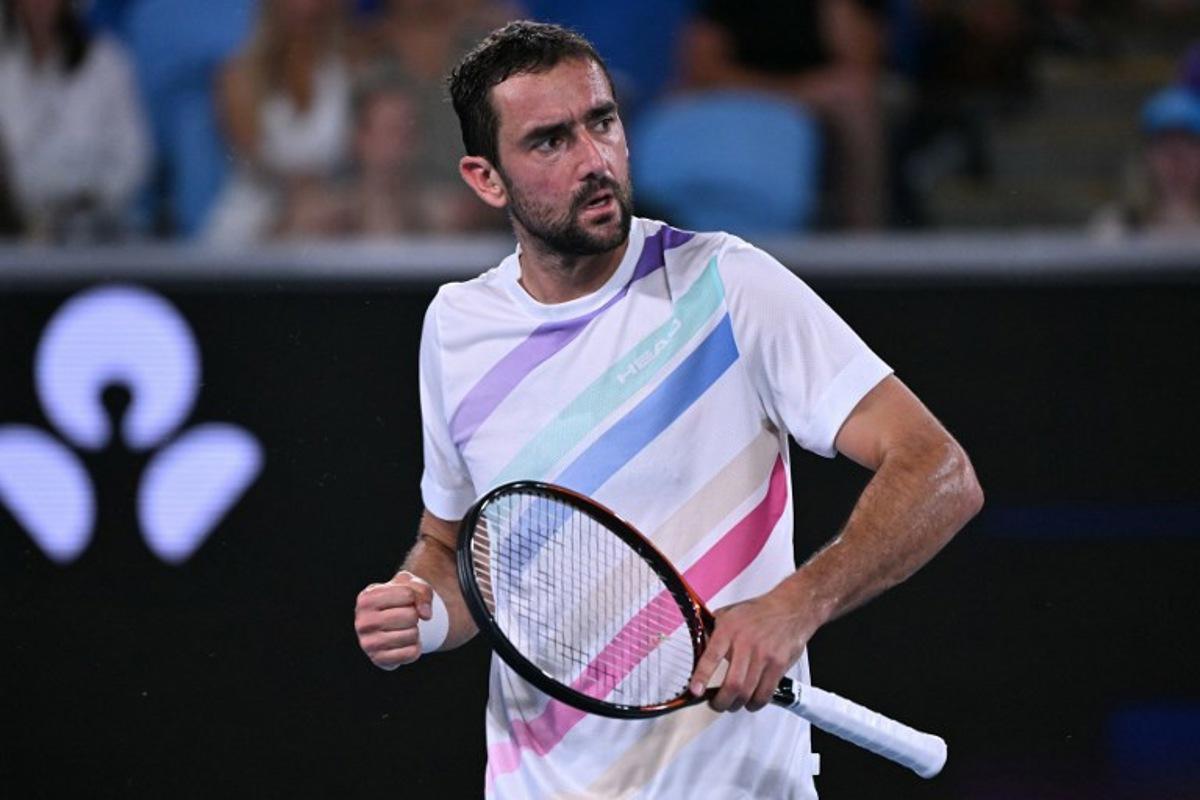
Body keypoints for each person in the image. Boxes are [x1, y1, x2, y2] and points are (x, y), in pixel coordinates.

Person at [353, 21, 983, 799]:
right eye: (550, 141)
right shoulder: (454, 328)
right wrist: (419, 610)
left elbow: (939, 470)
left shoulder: (729, 285)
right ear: (486, 179)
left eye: (603, 122)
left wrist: (795, 607)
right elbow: (453, 549)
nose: (594, 160)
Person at [0, 0, 151, 241]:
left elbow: (134, 156)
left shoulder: (105, 61)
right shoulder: (6, 69)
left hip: (96, 232)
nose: (39, 5)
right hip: (18, 233)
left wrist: (90, 200)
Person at [204, 0, 352, 243]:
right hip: (258, 214)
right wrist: (300, 199)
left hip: (332, 213)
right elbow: (252, 158)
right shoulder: (238, 74)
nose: (305, 8)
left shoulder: (348, 65)